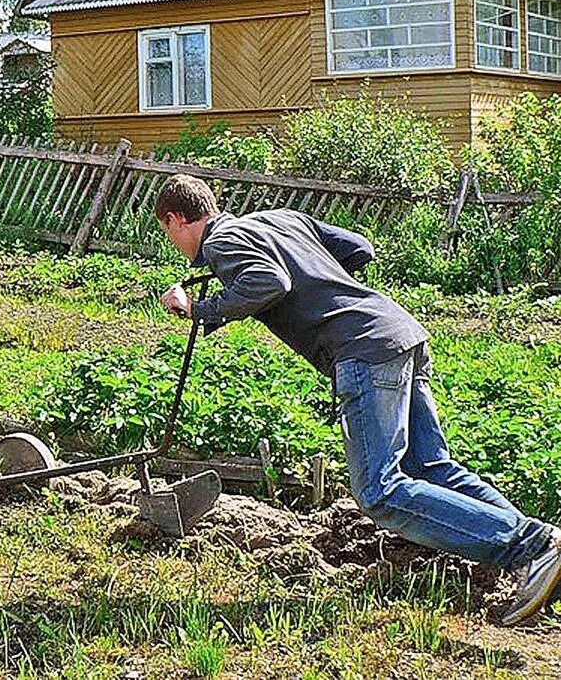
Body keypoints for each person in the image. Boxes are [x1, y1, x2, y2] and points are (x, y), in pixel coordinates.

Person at [154, 173, 560, 627]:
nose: (174, 243)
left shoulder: (221, 241)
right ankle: (543, 555)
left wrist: (198, 308)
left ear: (175, 219)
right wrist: (324, 281)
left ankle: (533, 547)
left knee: (379, 491)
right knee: (431, 468)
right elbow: (358, 246)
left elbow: (269, 282)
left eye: (169, 232)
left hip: (363, 351)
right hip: (396, 331)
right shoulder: (280, 219)